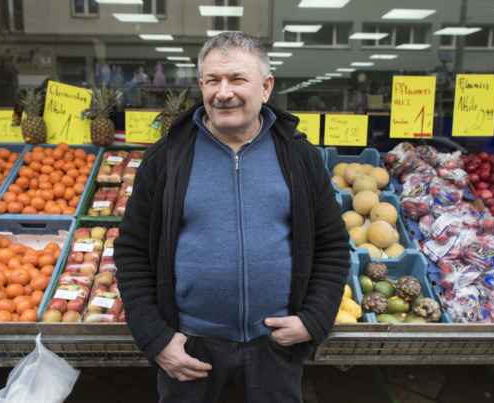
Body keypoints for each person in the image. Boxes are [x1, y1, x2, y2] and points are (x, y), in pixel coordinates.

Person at [113, 32, 351, 402]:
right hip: (189, 341)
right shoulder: (166, 158)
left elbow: (333, 245)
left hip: (274, 341)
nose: (223, 92)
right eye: (212, 80)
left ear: (266, 86)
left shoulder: (299, 157)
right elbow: (130, 250)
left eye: (238, 79)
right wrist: (156, 338)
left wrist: (314, 318)